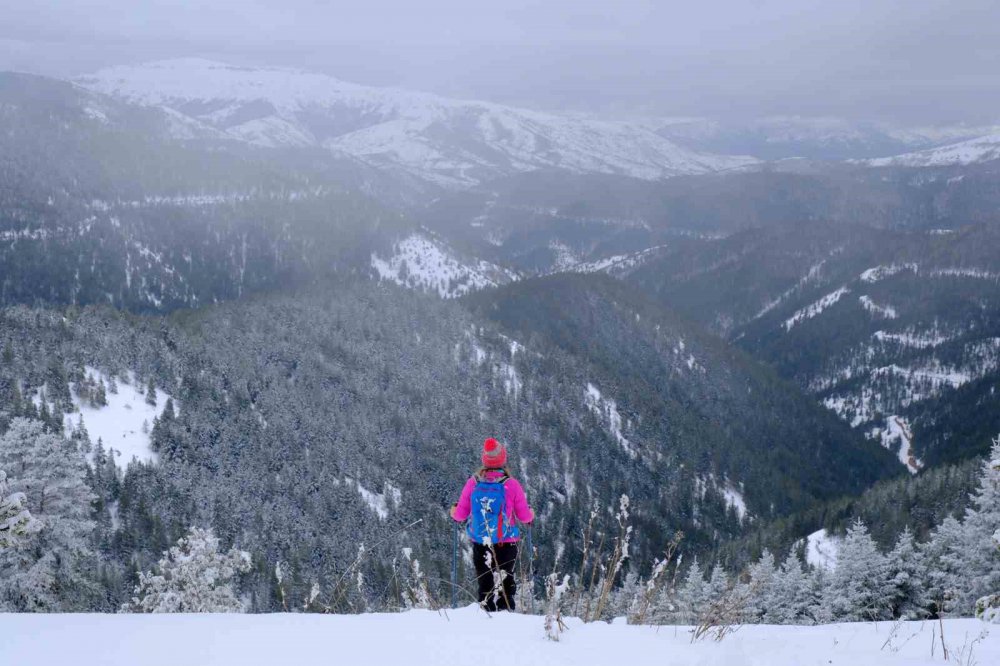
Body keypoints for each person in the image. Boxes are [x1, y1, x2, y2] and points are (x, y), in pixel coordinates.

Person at [450, 437, 534, 611]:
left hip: (481, 542)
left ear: (484, 460)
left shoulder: (473, 483)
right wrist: (531, 513)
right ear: (503, 459)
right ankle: (506, 612)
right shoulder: (511, 484)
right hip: (507, 542)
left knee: (485, 582)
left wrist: (453, 511)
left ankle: (486, 615)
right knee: (506, 582)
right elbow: (525, 517)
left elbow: (460, 515)